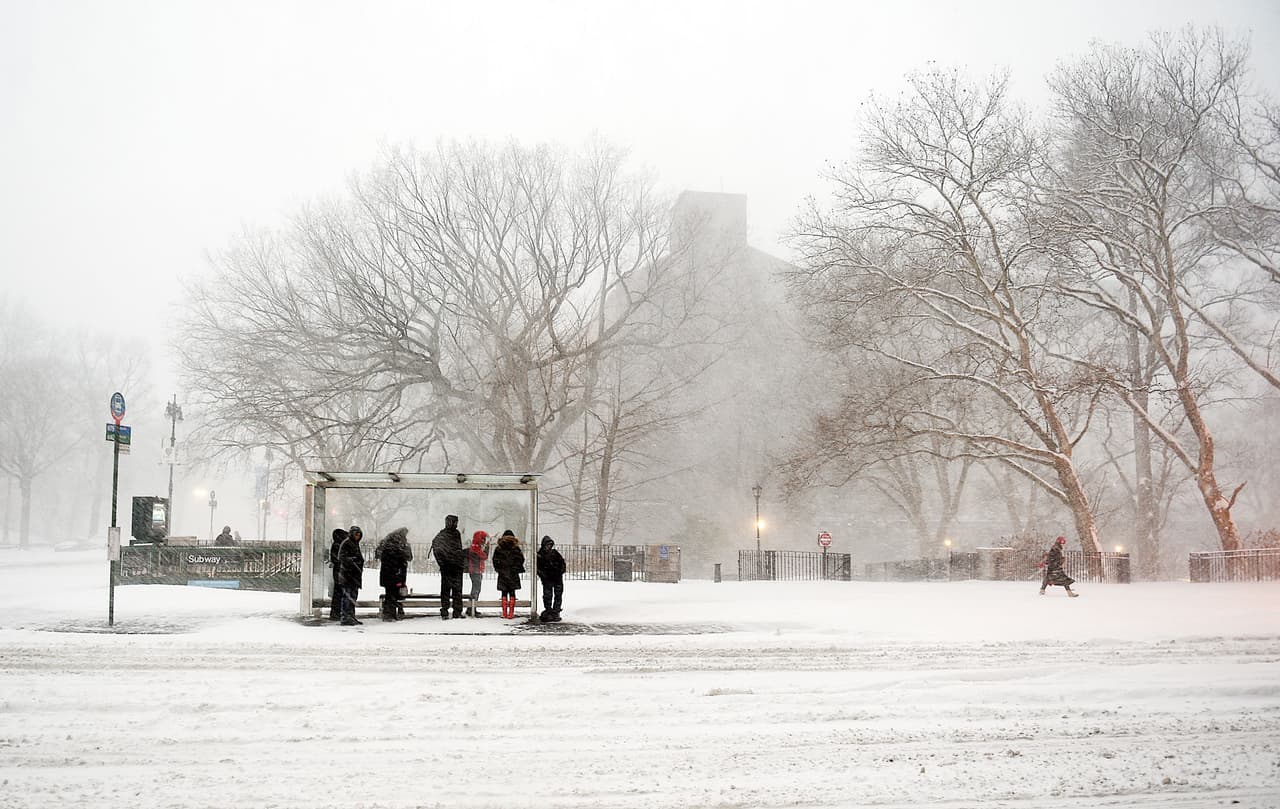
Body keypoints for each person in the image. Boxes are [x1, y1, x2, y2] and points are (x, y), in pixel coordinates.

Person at [430, 515, 466, 620]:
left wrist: (444, 562)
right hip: (451, 566)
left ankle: (450, 611)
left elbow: (437, 549)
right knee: (453, 590)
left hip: (452, 566)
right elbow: (438, 549)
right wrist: (444, 562)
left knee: (451, 590)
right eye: (454, 522)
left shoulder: (448, 534)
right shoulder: (446, 535)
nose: (455, 524)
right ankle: (451, 611)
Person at [375, 527, 413, 621]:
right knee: (394, 594)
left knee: (390, 593)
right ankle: (391, 614)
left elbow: (378, 554)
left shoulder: (386, 542)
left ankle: (389, 613)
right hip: (397, 574)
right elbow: (409, 557)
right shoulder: (401, 544)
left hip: (388, 573)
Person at [335, 525, 366, 625]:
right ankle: (346, 617)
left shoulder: (354, 544)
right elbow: (341, 557)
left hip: (353, 575)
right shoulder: (347, 543)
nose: (357, 537)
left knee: (352, 597)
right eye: (356, 535)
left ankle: (351, 616)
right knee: (348, 597)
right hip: (348, 575)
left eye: (359, 535)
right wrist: (353, 561)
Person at [491, 529, 525, 619]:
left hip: (503, 574)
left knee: (504, 593)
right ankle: (511, 613)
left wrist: (499, 569)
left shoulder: (499, 548)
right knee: (512, 593)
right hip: (513, 574)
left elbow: (495, 560)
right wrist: (515, 568)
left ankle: (504, 613)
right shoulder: (516, 548)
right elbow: (521, 560)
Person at [536, 535, 566, 622]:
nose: (548, 547)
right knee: (547, 595)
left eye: (550, 545)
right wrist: (544, 575)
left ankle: (556, 611)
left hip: (557, 578)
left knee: (558, 595)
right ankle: (548, 610)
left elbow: (562, 563)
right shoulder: (540, 555)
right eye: (547, 545)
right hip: (547, 579)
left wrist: (560, 572)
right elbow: (538, 568)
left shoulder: (555, 553)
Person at [466, 530, 491, 616]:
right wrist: (487, 547)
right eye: (483, 539)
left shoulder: (475, 546)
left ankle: (471, 607)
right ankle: (471, 608)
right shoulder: (476, 548)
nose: (484, 540)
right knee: (476, 590)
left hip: (475, 571)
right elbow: (484, 556)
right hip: (476, 571)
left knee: (476, 589)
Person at [326, 528, 348, 621]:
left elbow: (335, 559)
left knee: (338, 593)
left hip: (338, 572)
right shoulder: (339, 545)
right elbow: (338, 559)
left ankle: (336, 613)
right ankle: (337, 613)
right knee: (339, 593)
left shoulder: (336, 545)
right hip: (340, 572)